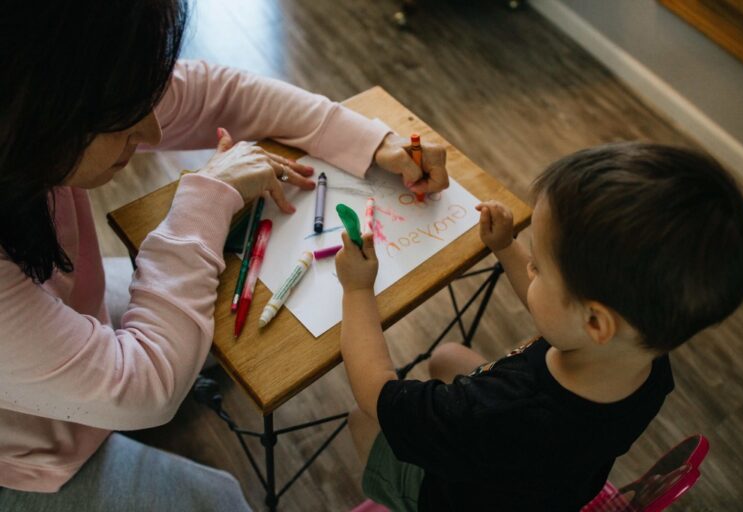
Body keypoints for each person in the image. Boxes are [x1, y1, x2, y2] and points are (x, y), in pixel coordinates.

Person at [0, 0, 449, 510]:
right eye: (124, 121)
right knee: (221, 498)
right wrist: (204, 198)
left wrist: (373, 141)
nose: (152, 133)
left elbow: (217, 93)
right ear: (36, 111)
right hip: (22, 457)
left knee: (206, 325)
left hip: (56, 328)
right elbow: (144, 386)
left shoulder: (41, 98)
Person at [335, 142, 743, 511]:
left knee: (360, 418)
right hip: (550, 490)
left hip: (457, 498)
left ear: (595, 321)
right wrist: (506, 247)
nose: (529, 268)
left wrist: (356, 290)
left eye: (537, 266)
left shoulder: (498, 413)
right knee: (447, 356)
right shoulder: (646, 359)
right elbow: (560, 314)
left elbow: (376, 394)